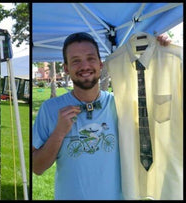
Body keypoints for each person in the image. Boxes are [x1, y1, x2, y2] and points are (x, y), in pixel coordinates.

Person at [32, 32, 172, 200]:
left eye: (91, 58)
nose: (85, 66)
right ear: (66, 68)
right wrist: (59, 132)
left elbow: (158, 109)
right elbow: (37, 168)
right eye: (76, 60)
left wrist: (162, 52)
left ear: (100, 64)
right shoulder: (50, 108)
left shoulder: (122, 104)